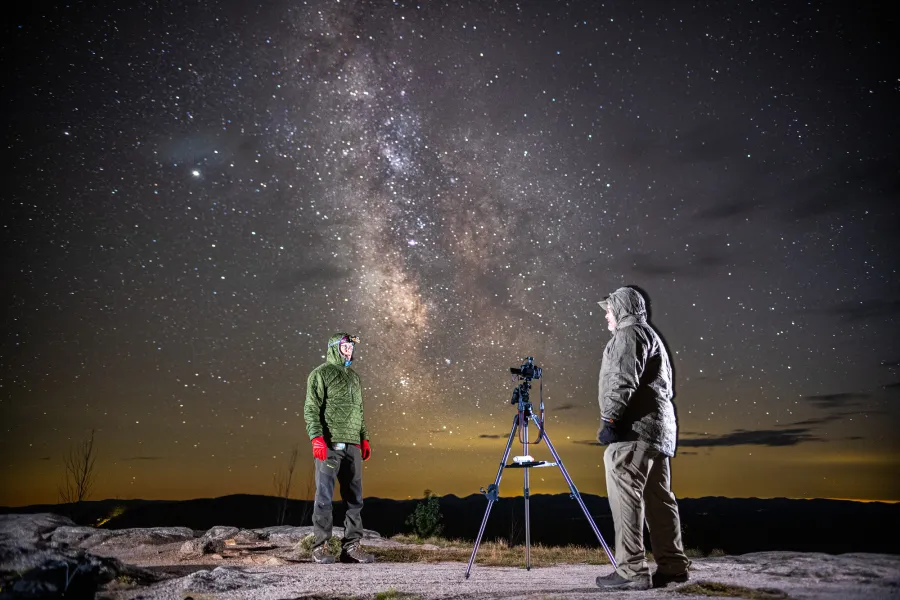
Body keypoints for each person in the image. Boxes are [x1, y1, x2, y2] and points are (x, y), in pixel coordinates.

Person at [594, 287, 691, 590]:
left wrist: (610, 419)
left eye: (609, 310)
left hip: (634, 432)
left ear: (621, 309)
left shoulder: (628, 335)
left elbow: (622, 378)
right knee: (659, 498)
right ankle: (673, 566)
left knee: (626, 496)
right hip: (659, 432)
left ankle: (632, 570)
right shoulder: (650, 334)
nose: (606, 316)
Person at [304, 332, 375, 564]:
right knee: (324, 496)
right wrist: (316, 438)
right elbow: (311, 408)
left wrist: (364, 438)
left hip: (353, 445)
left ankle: (351, 547)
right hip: (330, 444)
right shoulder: (320, 374)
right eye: (345, 346)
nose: (349, 350)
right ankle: (320, 546)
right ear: (335, 347)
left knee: (355, 498)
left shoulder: (354, 377)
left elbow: (359, 411)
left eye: (351, 347)